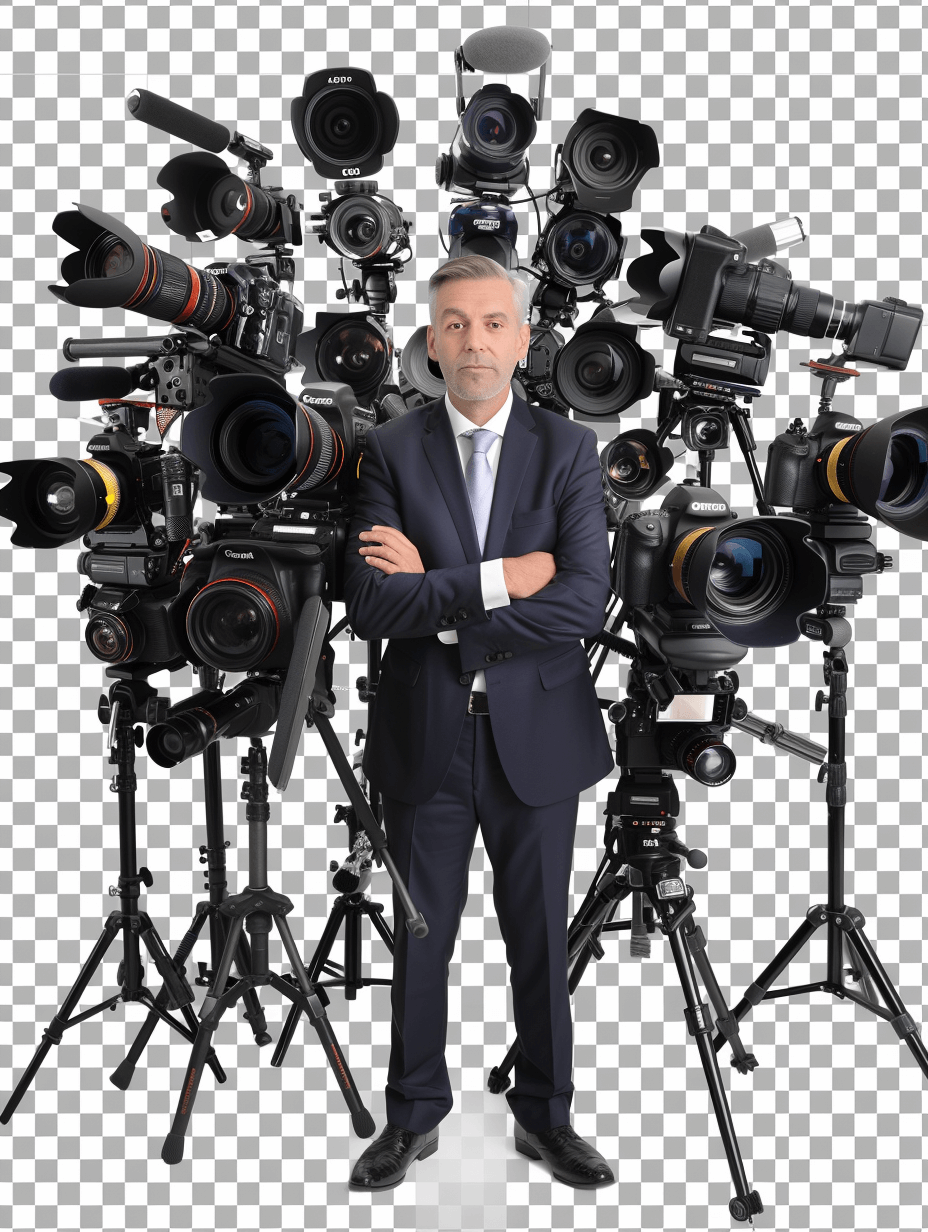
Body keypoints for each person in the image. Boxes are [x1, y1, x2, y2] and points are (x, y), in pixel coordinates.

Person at [341, 254, 616, 1191]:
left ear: (524, 338)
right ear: (429, 342)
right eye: (454, 324)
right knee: (421, 935)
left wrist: (440, 594)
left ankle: (546, 1114)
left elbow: (582, 602)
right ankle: (413, 1111)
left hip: (538, 737)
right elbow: (375, 609)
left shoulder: (569, 449)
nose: (475, 342)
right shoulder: (390, 449)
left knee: (539, 934)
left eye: (493, 323)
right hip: (427, 736)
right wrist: (501, 581)